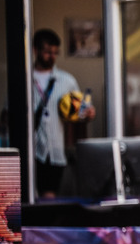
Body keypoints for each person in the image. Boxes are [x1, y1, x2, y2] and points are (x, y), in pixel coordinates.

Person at [31, 28, 96, 200]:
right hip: (30, 150)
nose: (52, 57)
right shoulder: (23, 78)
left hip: (54, 150)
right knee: (25, 198)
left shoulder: (66, 80)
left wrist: (88, 114)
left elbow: (80, 113)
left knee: (49, 197)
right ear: (35, 50)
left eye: (55, 53)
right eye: (47, 52)